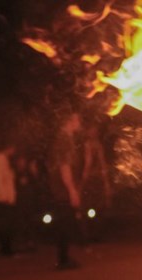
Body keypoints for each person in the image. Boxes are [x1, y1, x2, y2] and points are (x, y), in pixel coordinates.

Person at [48, 113, 85, 270]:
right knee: (64, 223)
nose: (80, 122)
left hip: (61, 188)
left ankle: (64, 258)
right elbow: (65, 167)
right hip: (62, 189)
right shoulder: (64, 141)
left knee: (65, 223)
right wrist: (72, 191)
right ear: (69, 121)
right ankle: (63, 260)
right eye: (77, 119)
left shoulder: (63, 139)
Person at [0, 143, 19, 256]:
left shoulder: (1, 159)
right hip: (3, 198)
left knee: (5, 224)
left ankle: (6, 248)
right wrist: (4, 196)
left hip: (2, 197)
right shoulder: (0, 159)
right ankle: (6, 249)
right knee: (5, 224)